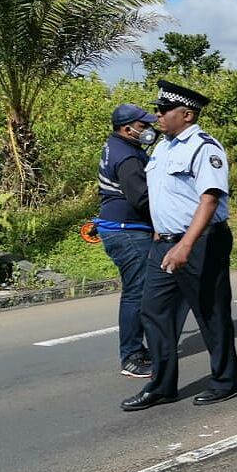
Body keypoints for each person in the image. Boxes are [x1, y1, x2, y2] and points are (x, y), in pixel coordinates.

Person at [120, 80, 237, 411]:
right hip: (163, 244)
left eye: (163, 110)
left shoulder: (205, 148)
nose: (157, 115)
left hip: (201, 242)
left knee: (211, 312)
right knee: (154, 310)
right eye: (158, 110)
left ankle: (226, 381)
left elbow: (209, 199)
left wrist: (186, 244)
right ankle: (162, 385)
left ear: (187, 114)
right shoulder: (163, 147)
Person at [97, 104, 158, 379]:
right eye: (143, 126)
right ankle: (132, 355)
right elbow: (141, 198)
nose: (148, 131)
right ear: (127, 128)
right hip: (128, 231)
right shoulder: (128, 157)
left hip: (121, 228)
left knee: (139, 289)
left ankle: (145, 347)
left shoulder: (117, 146)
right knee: (137, 291)